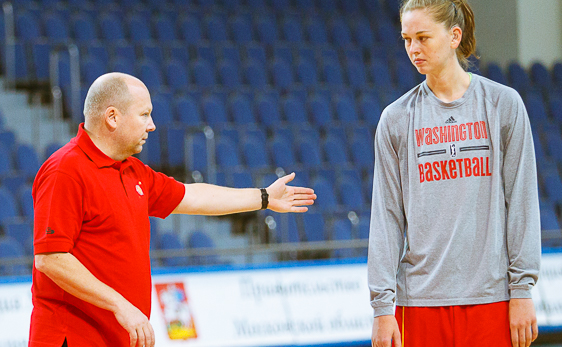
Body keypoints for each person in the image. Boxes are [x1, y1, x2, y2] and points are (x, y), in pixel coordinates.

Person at [29, 72, 317, 347]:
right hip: (72, 338)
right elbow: (51, 258)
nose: (152, 125)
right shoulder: (65, 171)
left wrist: (264, 197)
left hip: (118, 337)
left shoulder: (133, 171)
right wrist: (120, 305)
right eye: (144, 115)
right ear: (112, 117)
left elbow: (193, 196)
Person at [367, 1, 540, 347]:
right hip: (419, 303)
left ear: (453, 36)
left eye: (422, 37)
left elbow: (521, 201)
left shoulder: (503, 105)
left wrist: (522, 289)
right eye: (406, 39)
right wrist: (382, 308)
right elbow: (386, 218)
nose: (413, 49)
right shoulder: (396, 119)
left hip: (492, 299)